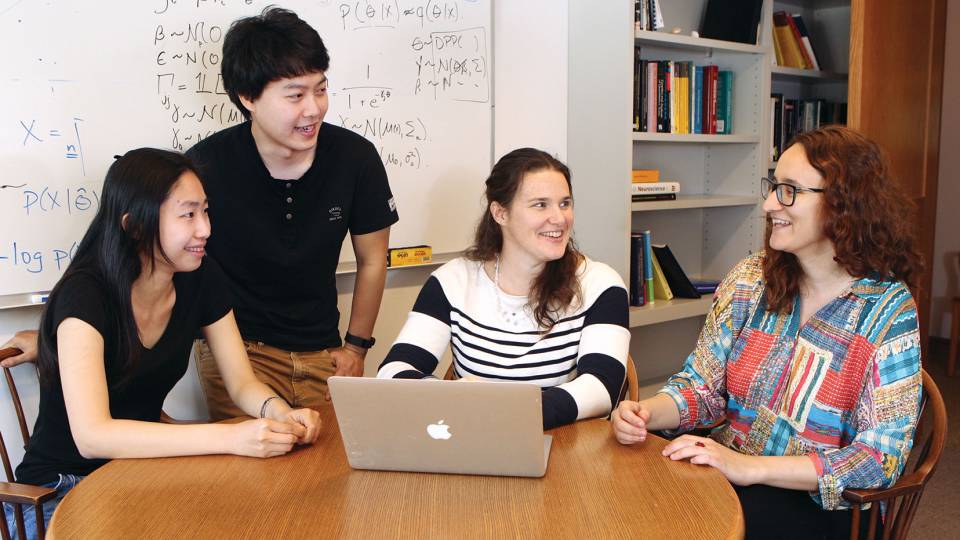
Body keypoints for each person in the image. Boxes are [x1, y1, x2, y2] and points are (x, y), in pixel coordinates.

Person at [1, 7, 400, 418]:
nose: (314, 108)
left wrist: (355, 346)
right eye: (296, 95)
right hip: (240, 351)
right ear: (248, 97)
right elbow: (138, 263)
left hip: (326, 349)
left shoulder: (356, 158)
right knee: (252, 469)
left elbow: (373, 259)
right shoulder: (206, 167)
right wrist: (61, 336)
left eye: (321, 89)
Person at [611, 126, 922, 539]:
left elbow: (878, 460)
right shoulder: (750, 279)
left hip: (821, 505)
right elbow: (702, 388)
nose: (769, 203)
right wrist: (648, 412)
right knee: (628, 506)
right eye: (774, 186)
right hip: (726, 472)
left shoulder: (888, 312)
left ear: (844, 205)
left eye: (789, 190)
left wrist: (751, 468)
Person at [3, 148, 321, 538]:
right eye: (188, 214)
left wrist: (277, 412)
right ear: (135, 225)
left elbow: (241, 382)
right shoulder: (84, 294)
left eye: (205, 211)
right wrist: (230, 436)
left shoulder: (199, 277)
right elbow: (92, 436)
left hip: (141, 474)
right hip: (59, 491)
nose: (204, 229)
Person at [377, 148, 630, 429]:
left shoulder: (601, 284)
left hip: (566, 453)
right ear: (500, 213)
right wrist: (448, 398)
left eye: (565, 203)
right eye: (540, 205)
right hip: (474, 445)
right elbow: (393, 370)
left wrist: (500, 411)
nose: (559, 218)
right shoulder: (452, 281)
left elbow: (601, 388)